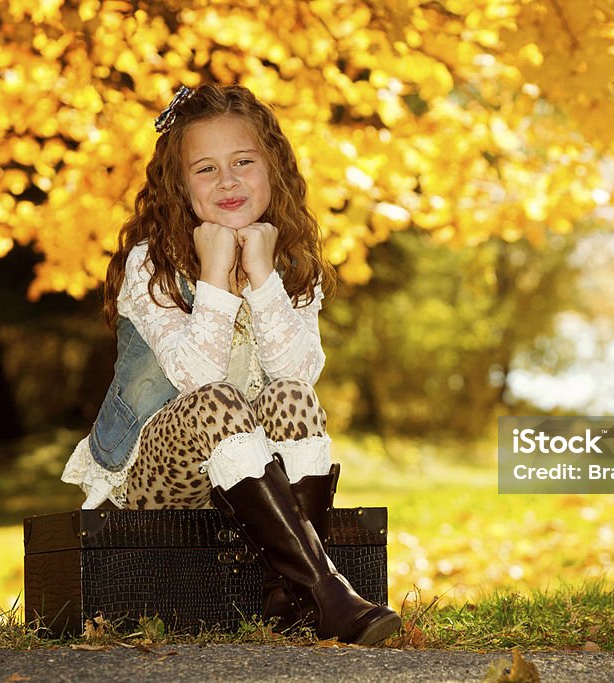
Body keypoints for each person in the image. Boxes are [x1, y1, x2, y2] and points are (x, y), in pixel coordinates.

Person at [61, 84, 401, 646]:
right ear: (179, 186)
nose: (228, 180)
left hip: (245, 470)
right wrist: (216, 273)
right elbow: (198, 380)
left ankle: (290, 598)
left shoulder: (289, 263)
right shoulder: (154, 265)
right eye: (206, 169)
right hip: (157, 478)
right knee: (216, 400)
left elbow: (299, 372)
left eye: (243, 161)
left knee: (292, 397)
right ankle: (329, 591)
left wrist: (264, 276)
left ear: (274, 169)